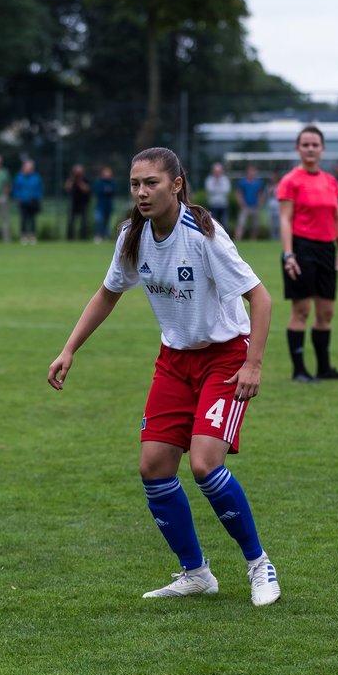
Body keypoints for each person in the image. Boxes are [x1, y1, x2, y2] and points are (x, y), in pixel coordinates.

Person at [46, 146, 280, 606]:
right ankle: (196, 573)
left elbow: (262, 299)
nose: (141, 192)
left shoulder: (205, 236)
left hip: (225, 357)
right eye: (135, 184)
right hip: (174, 360)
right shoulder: (133, 235)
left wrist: (253, 364)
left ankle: (258, 564)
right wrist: (69, 348)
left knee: (205, 464)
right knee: (153, 468)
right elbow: (108, 293)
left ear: (176, 185)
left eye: (151, 183)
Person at [279, 125, 338, 380]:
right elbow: (285, 220)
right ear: (298, 148)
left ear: (323, 148)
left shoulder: (330, 181)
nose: (310, 149)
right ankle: (299, 370)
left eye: (315, 144)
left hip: (326, 250)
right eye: (305, 144)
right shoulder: (291, 181)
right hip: (301, 249)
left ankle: (324, 368)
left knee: (326, 313)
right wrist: (289, 254)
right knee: (301, 311)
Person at [13, 159, 42, 244]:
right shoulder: (19, 177)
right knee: (23, 219)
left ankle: (33, 236)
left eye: (30, 168)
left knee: (33, 219)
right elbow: (16, 189)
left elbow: (40, 189)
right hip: (23, 201)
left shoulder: (36, 177)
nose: (28, 169)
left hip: (33, 201)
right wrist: (17, 198)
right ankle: (23, 236)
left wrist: (38, 198)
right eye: (26, 167)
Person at [234, 165, 265, 241]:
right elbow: (238, 193)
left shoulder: (258, 183)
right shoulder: (243, 182)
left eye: (254, 171)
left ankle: (253, 240)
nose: (252, 173)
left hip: (255, 206)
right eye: (250, 171)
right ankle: (238, 239)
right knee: (241, 223)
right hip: (245, 206)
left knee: (255, 225)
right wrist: (241, 203)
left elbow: (261, 194)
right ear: (247, 172)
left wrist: (260, 203)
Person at [64, 164, 92, 240]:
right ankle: (70, 237)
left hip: (83, 203)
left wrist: (79, 181)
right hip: (73, 203)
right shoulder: (71, 179)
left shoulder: (85, 179)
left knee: (84, 222)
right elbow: (67, 188)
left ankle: (83, 237)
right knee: (71, 221)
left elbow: (86, 189)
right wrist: (72, 179)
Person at [93, 165, 117, 243]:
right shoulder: (99, 182)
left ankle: (106, 236)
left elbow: (114, 191)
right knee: (99, 221)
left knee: (107, 222)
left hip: (108, 206)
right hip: (100, 206)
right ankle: (98, 236)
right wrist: (104, 191)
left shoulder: (112, 182)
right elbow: (96, 192)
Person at [204, 162, 231, 228]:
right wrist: (219, 189)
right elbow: (209, 190)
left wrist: (216, 189)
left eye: (219, 171)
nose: (217, 173)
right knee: (213, 223)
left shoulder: (225, 180)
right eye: (216, 171)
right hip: (213, 205)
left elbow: (227, 190)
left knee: (224, 223)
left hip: (223, 205)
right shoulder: (209, 180)